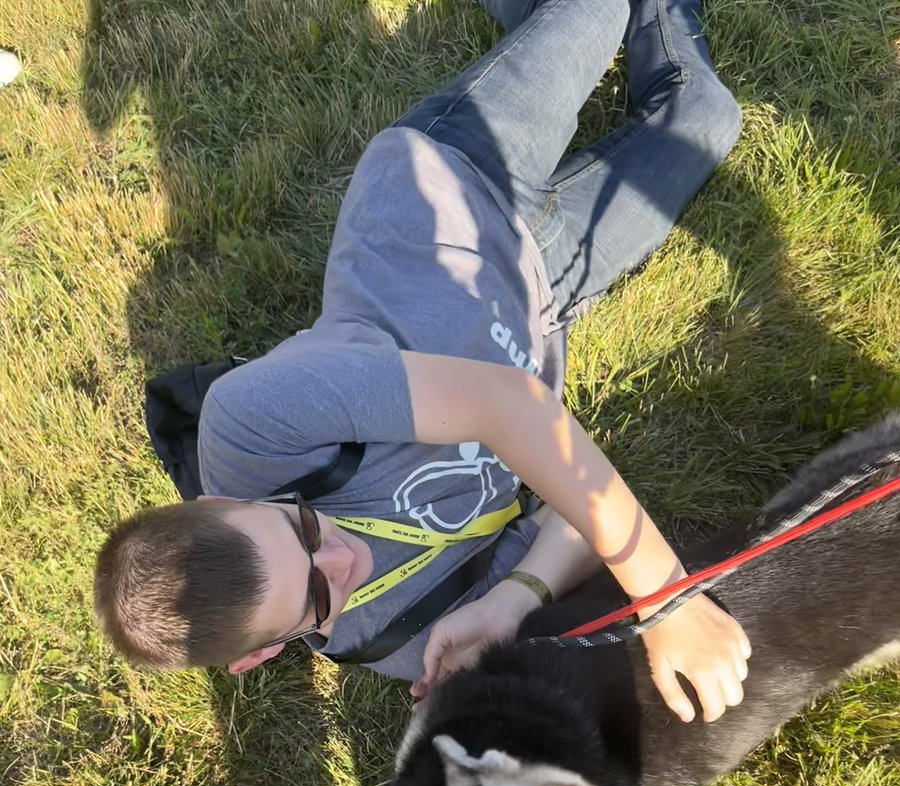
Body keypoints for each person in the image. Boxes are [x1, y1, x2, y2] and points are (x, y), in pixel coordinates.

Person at [94, 0, 751, 724]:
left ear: (220, 503)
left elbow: (511, 408)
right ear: (261, 655)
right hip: (542, 290)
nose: (339, 559)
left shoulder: (250, 425)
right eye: (315, 596)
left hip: (450, 191)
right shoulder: (399, 641)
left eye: (302, 530)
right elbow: (573, 521)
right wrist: (515, 597)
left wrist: (666, 597)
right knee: (707, 116)